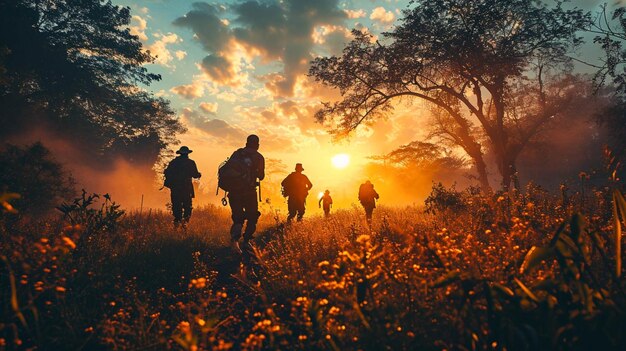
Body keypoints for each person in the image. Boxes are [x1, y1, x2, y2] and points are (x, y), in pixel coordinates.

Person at [227, 135, 265, 252]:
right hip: (249, 192)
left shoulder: (237, 154)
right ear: (257, 144)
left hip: (234, 192)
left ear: (247, 142)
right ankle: (247, 241)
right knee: (252, 216)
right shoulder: (258, 157)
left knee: (238, 217)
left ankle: (234, 241)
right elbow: (261, 176)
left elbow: (228, 170)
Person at [164, 146, 201, 227]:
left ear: (180, 153)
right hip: (186, 188)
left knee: (176, 205)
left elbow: (167, 172)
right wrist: (199, 175)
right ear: (187, 153)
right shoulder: (191, 162)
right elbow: (195, 175)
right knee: (187, 206)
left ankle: (177, 222)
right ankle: (185, 223)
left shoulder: (174, 162)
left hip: (175, 188)